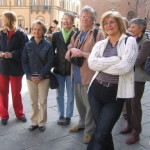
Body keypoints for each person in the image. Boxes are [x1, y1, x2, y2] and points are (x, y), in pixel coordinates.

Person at [86, 11, 138, 150]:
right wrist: (115, 59)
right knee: (104, 131)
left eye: (112, 22)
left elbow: (125, 67)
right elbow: (92, 64)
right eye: (105, 23)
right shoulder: (100, 44)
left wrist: (102, 64)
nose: (108, 25)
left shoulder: (129, 41)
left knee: (101, 132)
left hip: (114, 94)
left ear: (119, 23)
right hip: (95, 91)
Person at [65, 6, 104, 144]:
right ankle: (82, 123)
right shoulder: (76, 34)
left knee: (89, 105)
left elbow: (100, 55)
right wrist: (72, 51)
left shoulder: (97, 34)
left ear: (93, 20)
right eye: (83, 16)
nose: (84, 19)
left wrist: (82, 54)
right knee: (80, 103)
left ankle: (89, 130)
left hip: (89, 75)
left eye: (88, 17)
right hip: (75, 74)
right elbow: (68, 52)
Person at [120, 18, 150, 144]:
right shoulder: (129, 39)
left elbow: (138, 60)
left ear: (141, 28)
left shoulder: (146, 42)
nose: (130, 29)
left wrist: (125, 59)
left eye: (133, 27)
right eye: (130, 27)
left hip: (138, 78)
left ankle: (136, 133)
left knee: (135, 104)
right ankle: (130, 126)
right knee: (127, 103)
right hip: (128, 75)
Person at [22, 20, 54, 132]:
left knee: (43, 101)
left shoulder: (48, 45)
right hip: (30, 77)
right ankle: (34, 122)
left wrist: (41, 76)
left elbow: (50, 62)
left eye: (39, 29)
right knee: (33, 101)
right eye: (34, 29)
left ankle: (41, 122)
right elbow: (24, 61)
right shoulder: (27, 45)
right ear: (32, 30)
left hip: (44, 77)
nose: (36, 31)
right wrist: (29, 75)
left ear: (43, 31)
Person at [0, 11, 28, 125]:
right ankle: (4, 115)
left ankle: (19, 113)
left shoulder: (21, 34)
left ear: (10, 19)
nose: (2, 19)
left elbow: (25, 50)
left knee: (16, 92)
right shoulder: (1, 33)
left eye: (3, 18)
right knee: (2, 92)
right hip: (2, 66)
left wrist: (13, 54)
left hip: (16, 67)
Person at [52, 12, 75, 126]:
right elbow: (51, 52)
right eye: (64, 19)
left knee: (71, 95)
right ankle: (61, 114)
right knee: (59, 94)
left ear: (72, 22)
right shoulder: (56, 35)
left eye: (68, 19)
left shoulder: (76, 34)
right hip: (59, 70)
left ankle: (69, 115)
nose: (66, 21)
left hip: (71, 71)